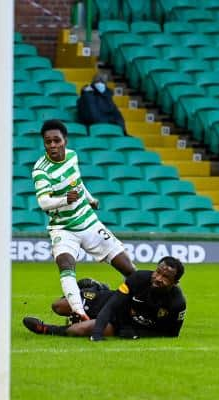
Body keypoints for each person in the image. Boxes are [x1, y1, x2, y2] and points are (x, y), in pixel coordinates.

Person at [33, 119, 136, 321]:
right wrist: (64, 200)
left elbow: (77, 183)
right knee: (65, 264)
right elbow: (44, 203)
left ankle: (141, 302)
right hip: (63, 228)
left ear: (65, 140)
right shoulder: (40, 170)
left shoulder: (72, 156)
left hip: (89, 223)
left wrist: (90, 199)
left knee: (128, 268)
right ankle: (79, 312)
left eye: (56, 140)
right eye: (48, 142)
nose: (53, 145)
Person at [22, 256, 187, 340]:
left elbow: (171, 334)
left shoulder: (177, 303)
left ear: (175, 282)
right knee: (58, 306)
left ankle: (45, 329)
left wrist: (136, 333)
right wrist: (98, 333)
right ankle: (96, 288)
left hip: (124, 323)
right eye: (158, 272)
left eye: (166, 277)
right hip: (111, 301)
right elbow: (112, 305)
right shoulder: (138, 278)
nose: (158, 278)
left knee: (79, 330)